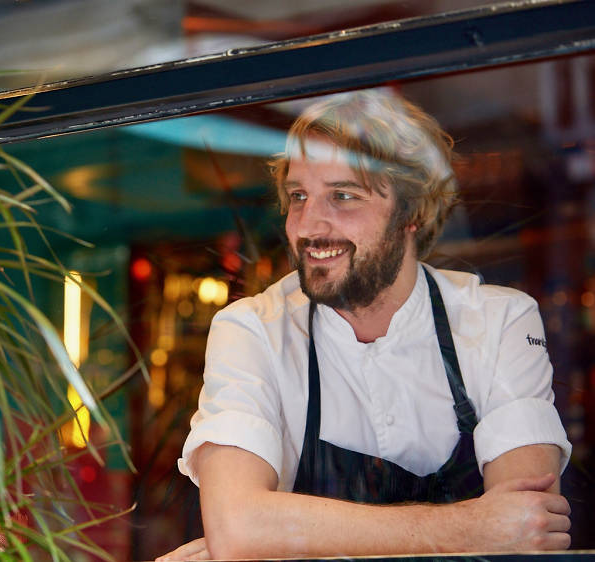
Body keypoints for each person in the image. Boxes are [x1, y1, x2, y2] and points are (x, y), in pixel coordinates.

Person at [158, 89, 572, 561]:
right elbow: (239, 527)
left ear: (412, 211)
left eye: (343, 195)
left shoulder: (499, 320)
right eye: (298, 196)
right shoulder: (252, 329)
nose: (309, 225)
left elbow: (529, 524)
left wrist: (279, 533)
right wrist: (474, 525)